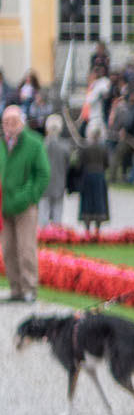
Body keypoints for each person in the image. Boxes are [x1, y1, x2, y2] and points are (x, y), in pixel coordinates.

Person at [1, 106, 49, 302]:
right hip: (4, 205)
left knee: (26, 248)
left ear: (22, 122)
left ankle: (29, 288)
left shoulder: (34, 143)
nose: (10, 126)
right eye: (6, 122)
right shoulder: (2, 144)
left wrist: (30, 195)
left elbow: (43, 174)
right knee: (8, 249)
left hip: (25, 204)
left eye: (13, 122)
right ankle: (16, 289)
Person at [75, 121, 111, 234]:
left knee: (87, 202)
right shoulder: (103, 148)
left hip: (87, 175)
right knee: (99, 201)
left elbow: (79, 164)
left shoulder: (85, 147)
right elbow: (107, 163)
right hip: (99, 175)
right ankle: (97, 228)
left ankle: (87, 228)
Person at [42, 114, 74, 227]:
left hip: (44, 184)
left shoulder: (41, 145)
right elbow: (68, 165)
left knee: (43, 214)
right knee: (57, 213)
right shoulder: (65, 146)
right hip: (59, 183)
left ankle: (44, 236)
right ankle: (56, 237)